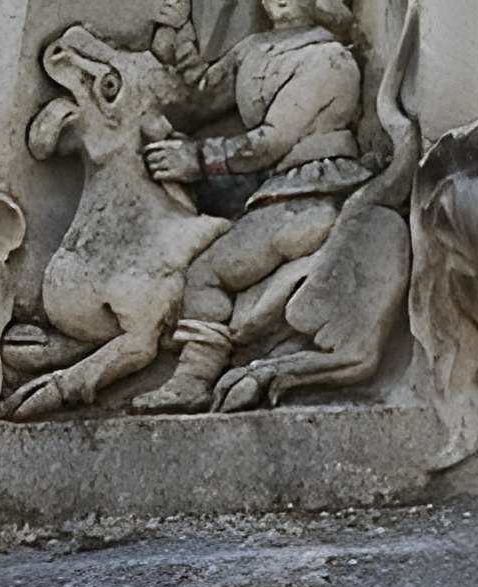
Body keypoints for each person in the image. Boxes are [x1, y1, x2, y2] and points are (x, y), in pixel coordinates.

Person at [131, 0, 375, 411]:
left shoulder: (330, 59)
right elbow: (197, 100)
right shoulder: (254, 49)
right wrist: (176, 32)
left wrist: (197, 160)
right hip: (269, 192)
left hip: (310, 195)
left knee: (206, 273)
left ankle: (193, 378)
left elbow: (273, 140)